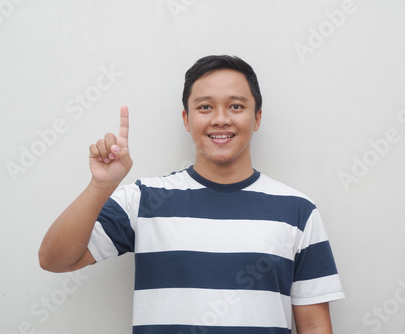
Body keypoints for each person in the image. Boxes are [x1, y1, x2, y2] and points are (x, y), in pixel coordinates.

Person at [39, 55, 345, 334]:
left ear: (257, 117)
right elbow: (55, 260)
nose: (220, 118)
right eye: (205, 107)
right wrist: (101, 186)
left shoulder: (298, 211)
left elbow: (315, 326)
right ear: (187, 119)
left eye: (236, 106)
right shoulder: (145, 200)